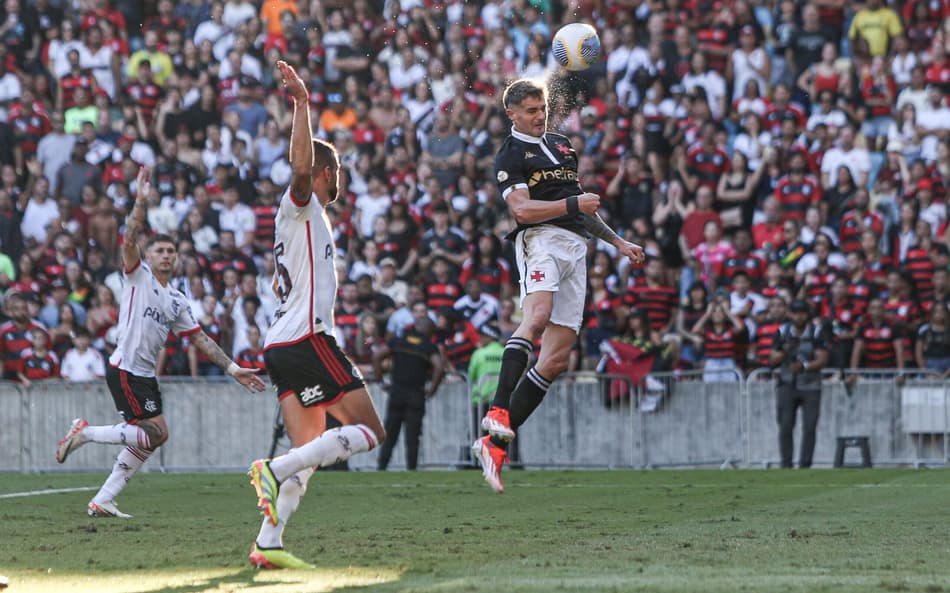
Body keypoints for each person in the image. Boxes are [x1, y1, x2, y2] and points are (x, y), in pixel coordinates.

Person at [54, 168, 266, 518]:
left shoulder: (177, 300)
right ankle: (86, 433)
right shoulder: (138, 275)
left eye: (171, 251)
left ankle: (104, 498)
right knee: (154, 434)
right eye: (160, 250)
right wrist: (140, 200)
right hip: (124, 368)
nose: (166, 255)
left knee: (154, 436)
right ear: (148, 256)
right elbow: (130, 236)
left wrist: (232, 368)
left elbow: (198, 338)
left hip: (144, 375)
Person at [245, 61, 386, 569]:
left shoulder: (310, 219)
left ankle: (268, 542)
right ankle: (274, 468)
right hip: (306, 337)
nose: (341, 178)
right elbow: (301, 171)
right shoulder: (301, 204)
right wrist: (303, 104)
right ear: (329, 171)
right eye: (339, 170)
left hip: (283, 342)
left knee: (310, 447)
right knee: (370, 432)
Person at [473, 78, 644, 493]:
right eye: (530, 110)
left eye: (542, 109)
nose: (539, 116)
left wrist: (617, 241)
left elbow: (581, 208)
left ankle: (493, 445)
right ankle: (497, 409)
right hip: (541, 241)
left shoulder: (563, 145)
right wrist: (573, 204)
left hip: (576, 248)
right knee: (538, 316)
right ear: (511, 113)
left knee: (556, 359)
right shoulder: (510, 153)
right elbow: (522, 210)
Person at [372, 312, 443, 471]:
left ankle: (381, 467)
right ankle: (411, 469)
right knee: (412, 436)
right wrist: (431, 390)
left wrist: (380, 381)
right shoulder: (428, 346)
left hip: (397, 392)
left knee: (390, 433)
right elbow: (439, 368)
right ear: (429, 330)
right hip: (416, 394)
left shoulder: (399, 340)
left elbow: (377, 356)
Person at [769, 299, 829, 469]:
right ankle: (786, 464)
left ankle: (805, 464)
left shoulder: (816, 332)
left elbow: (822, 359)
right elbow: (771, 359)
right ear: (790, 314)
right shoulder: (782, 332)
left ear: (806, 314)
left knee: (810, 427)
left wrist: (804, 366)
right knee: (785, 426)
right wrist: (786, 350)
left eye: (802, 313)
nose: (799, 316)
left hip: (811, 385)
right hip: (787, 384)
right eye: (795, 313)